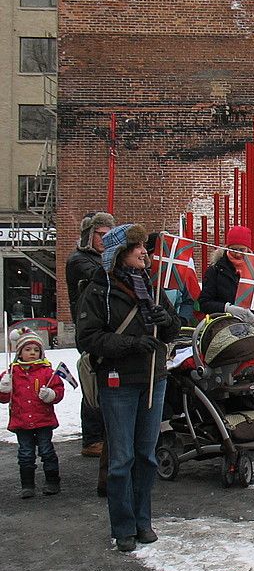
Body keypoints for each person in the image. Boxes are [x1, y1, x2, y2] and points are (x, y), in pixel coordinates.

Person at [76, 223, 182, 552]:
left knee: (146, 457)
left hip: (153, 378)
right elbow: (88, 338)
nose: (144, 252)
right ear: (120, 253)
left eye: (144, 248)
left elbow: (171, 328)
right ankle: (123, 526)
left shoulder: (151, 285)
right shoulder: (99, 289)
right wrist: (131, 345)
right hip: (118, 381)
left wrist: (168, 323)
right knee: (121, 459)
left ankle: (142, 520)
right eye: (137, 248)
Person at [65, 210, 114, 459]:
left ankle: (104, 435)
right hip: (89, 330)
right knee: (92, 385)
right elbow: (101, 277)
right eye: (100, 235)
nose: (104, 240)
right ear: (89, 235)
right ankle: (92, 438)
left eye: (109, 235)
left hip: (104, 330)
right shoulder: (79, 260)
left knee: (106, 383)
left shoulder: (100, 259)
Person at [1, 331, 65, 499]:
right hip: (21, 421)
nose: (32, 353)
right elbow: (4, 398)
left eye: (36, 350)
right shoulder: (12, 373)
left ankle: (52, 481)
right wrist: (3, 389)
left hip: (43, 419)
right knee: (25, 453)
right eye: (28, 349)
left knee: (46, 451)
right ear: (19, 352)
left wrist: (51, 394)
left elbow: (58, 391)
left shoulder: (47, 372)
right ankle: (27, 484)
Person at [198, 225, 254, 330]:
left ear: (248, 248)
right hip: (223, 326)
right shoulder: (216, 270)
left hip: (253, 326)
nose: (237, 253)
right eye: (233, 249)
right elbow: (205, 303)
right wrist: (227, 308)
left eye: (241, 249)